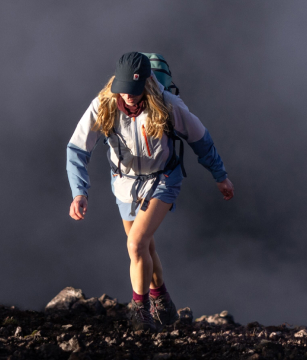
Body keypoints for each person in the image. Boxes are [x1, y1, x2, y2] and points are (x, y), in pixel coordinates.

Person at [66, 52, 235, 331]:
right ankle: (162, 301)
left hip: (163, 179)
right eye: (124, 90)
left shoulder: (167, 104)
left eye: (135, 90)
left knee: (135, 244)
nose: (129, 97)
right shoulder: (103, 105)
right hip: (124, 184)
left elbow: (200, 139)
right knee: (145, 246)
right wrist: (79, 191)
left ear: (147, 83)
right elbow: (77, 149)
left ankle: (140, 312)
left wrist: (221, 176)